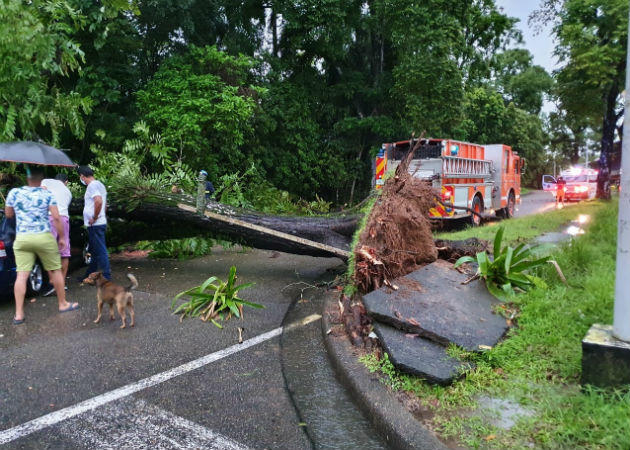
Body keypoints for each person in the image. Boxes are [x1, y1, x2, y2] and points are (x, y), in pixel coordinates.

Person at [5, 166, 79, 324]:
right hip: (44, 237)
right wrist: (62, 238)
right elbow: (57, 217)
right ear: (41, 179)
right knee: (55, 270)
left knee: (21, 275)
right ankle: (63, 304)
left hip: (23, 238)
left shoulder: (14, 193)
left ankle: (18, 314)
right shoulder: (47, 194)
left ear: (27, 178)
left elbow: (8, 215)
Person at [41, 173, 72, 296]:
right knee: (64, 252)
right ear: (66, 182)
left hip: (50, 217)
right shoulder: (68, 192)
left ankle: (53, 281)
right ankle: (62, 283)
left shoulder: (46, 181)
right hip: (64, 219)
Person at [77, 165, 111, 281]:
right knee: (95, 251)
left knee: (100, 251)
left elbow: (98, 201)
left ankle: (106, 276)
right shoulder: (100, 184)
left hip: (95, 224)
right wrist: (101, 215)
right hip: (98, 223)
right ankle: (89, 274)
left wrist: (95, 217)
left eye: (80, 177)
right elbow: (105, 205)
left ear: (82, 176)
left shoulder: (92, 186)